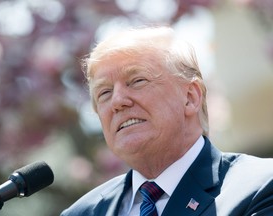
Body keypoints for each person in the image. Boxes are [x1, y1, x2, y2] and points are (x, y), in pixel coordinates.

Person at [61, 26, 273, 216]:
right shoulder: (81, 213)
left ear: (190, 97)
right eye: (104, 92)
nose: (117, 101)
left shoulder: (261, 186)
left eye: (137, 81)